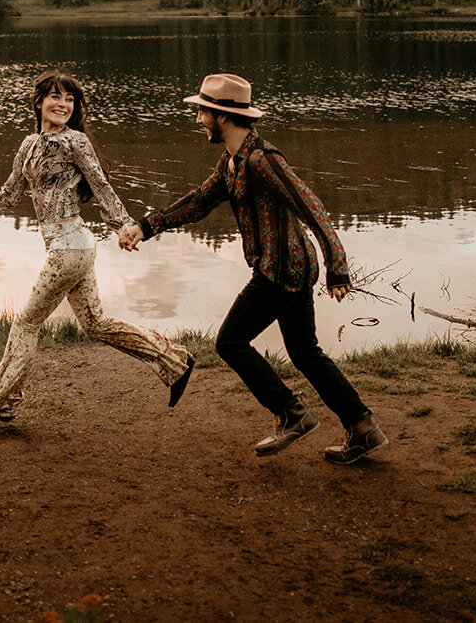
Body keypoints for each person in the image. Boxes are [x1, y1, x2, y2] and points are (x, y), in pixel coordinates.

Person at [119, 73, 387, 464]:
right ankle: (362, 426)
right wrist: (146, 226)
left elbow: (311, 207)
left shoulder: (263, 159)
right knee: (305, 352)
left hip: (281, 270)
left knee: (230, 342)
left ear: (222, 116)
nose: (198, 120)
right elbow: (198, 201)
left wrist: (338, 267)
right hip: (289, 268)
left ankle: (292, 413)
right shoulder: (233, 162)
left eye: (202, 112)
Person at [0, 70, 194, 422]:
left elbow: (101, 185)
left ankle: (4, 398)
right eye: (55, 96)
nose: (63, 104)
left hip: (70, 249)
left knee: (26, 323)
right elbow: (8, 197)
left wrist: (124, 225)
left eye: (70, 99)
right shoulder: (28, 145)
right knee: (96, 324)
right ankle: (175, 361)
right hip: (71, 247)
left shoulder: (75, 142)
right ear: (39, 101)